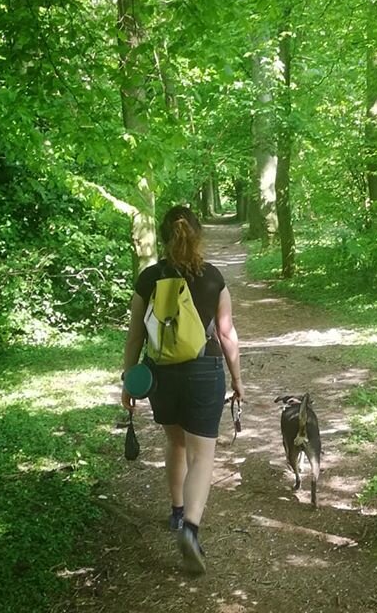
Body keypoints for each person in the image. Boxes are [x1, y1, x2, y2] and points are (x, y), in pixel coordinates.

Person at [120, 205, 245, 574]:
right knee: (202, 454)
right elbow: (225, 334)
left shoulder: (148, 279)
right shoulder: (212, 278)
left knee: (174, 442)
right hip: (204, 370)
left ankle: (176, 512)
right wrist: (237, 380)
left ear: (163, 236)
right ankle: (191, 527)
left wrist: (128, 378)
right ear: (197, 235)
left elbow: (135, 335)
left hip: (161, 374)